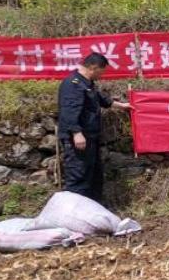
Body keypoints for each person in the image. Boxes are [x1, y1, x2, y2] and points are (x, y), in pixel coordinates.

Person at [56, 53, 131, 203]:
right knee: (78, 176)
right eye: (101, 72)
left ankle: (92, 212)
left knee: (93, 176)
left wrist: (122, 106)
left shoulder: (87, 83)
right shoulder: (73, 84)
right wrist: (77, 133)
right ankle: (73, 214)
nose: (102, 75)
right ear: (93, 67)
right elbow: (70, 110)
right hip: (78, 139)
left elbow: (100, 99)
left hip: (91, 138)